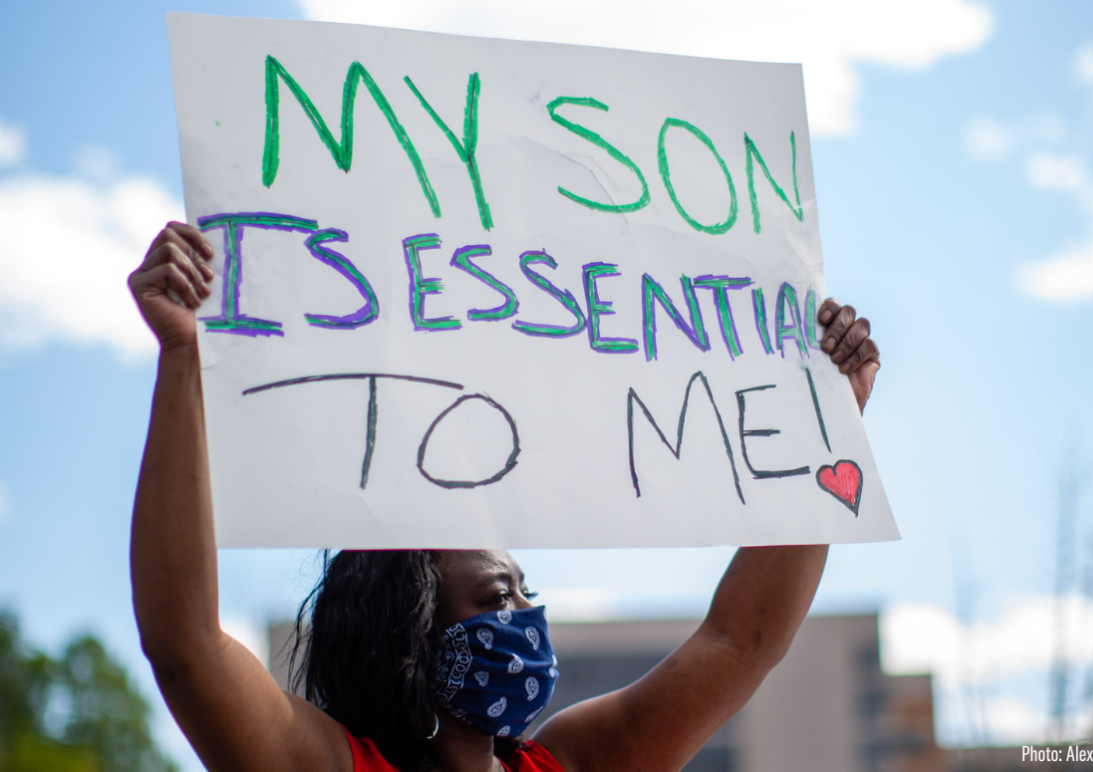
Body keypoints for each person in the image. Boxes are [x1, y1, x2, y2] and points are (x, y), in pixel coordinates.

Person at [129, 221, 881, 772]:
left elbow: (739, 641)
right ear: (408, 637)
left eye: (523, 590)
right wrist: (182, 355)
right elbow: (184, 643)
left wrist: (826, 425)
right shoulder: (330, 764)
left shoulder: (571, 762)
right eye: (494, 597)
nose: (527, 616)